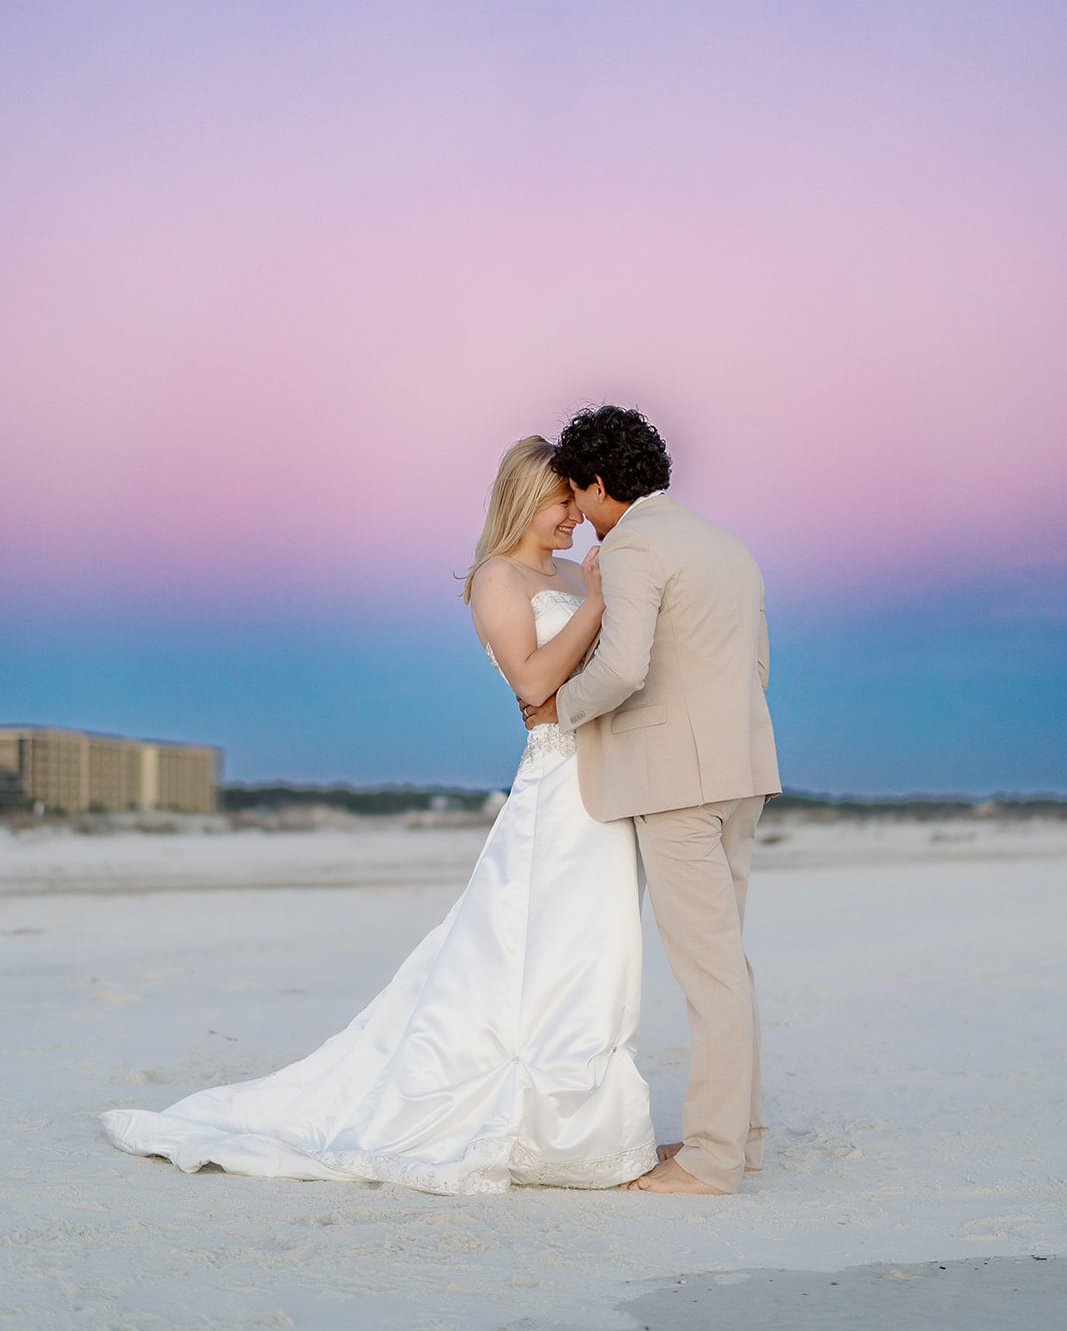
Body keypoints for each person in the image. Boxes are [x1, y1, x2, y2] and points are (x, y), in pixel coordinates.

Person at [101, 436, 656, 1195]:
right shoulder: (498, 578)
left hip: (611, 779)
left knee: (597, 952)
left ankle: (574, 1127)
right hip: (556, 781)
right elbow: (532, 684)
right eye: (564, 501)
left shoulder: (569, 570)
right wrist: (595, 603)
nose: (575, 518)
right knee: (532, 949)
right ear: (528, 498)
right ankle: (523, 1121)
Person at [521, 406, 781, 1196]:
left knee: (710, 975)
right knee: (724, 964)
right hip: (739, 770)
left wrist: (556, 712)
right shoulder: (720, 542)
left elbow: (624, 666)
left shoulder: (632, 544)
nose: (581, 513)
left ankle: (709, 1160)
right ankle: (740, 1139)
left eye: (577, 492)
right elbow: (756, 663)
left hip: (677, 784)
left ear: (599, 484)